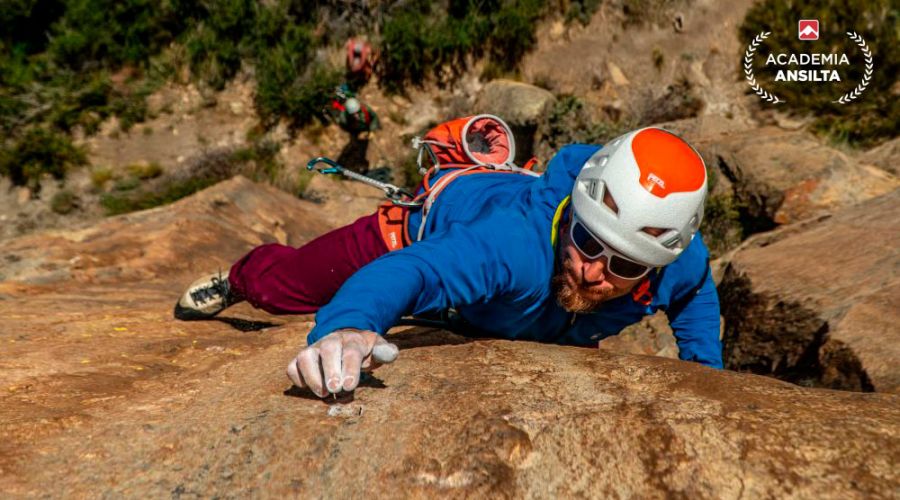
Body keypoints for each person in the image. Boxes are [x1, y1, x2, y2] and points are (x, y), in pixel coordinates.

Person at [174, 125, 720, 398]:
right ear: (573, 215)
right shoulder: (514, 246)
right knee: (288, 286)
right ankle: (240, 278)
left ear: (653, 265)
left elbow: (695, 290)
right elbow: (419, 271)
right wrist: (349, 327)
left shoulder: (676, 263)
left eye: (624, 266)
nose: (593, 270)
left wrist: (705, 373)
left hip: (509, 307)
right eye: (586, 241)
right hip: (422, 229)